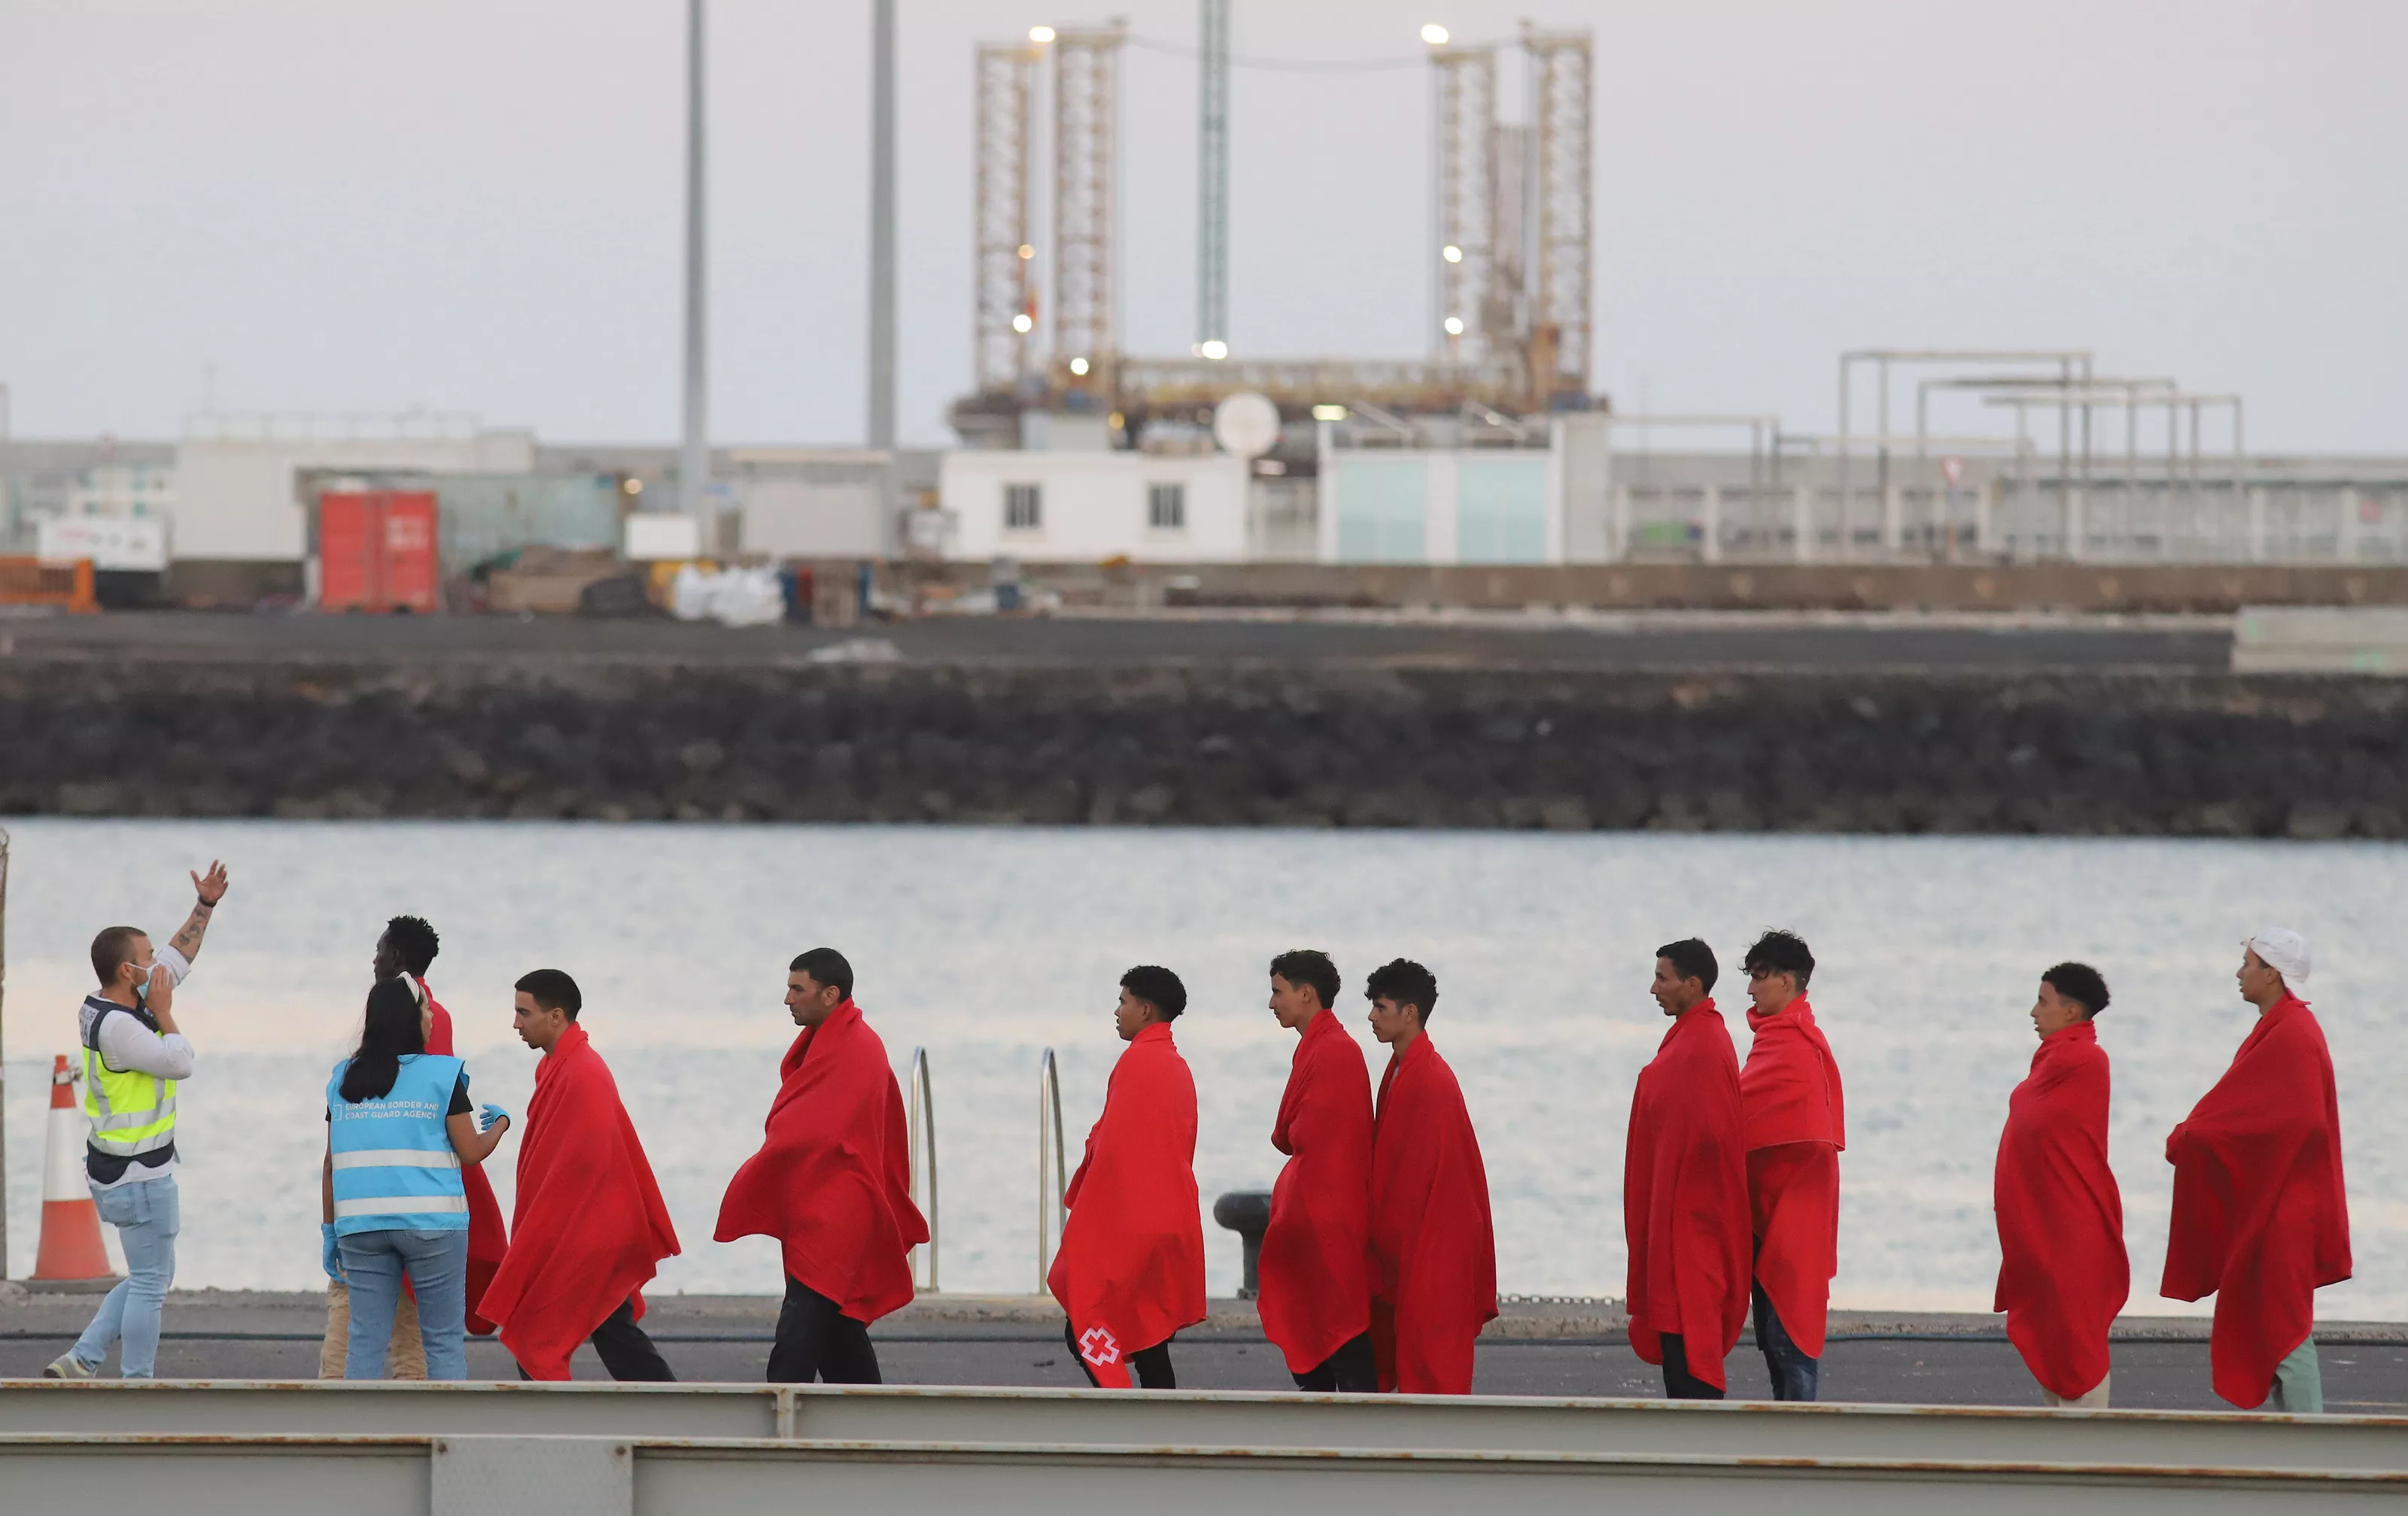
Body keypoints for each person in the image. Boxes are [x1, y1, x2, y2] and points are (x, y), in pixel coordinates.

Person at [47, 863, 230, 1381]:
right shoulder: (123, 1028)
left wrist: (205, 906)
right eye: (146, 958)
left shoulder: (111, 1002)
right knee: (152, 1282)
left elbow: (178, 955)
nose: (157, 964)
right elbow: (181, 1062)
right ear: (128, 972)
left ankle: (82, 1357)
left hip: (120, 1168)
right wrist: (168, 1012)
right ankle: (137, 1383)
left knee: (152, 1273)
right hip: (138, 1173)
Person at [716, 947, 929, 1384]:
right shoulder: (832, 1040)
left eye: (798, 989)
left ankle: (776, 1420)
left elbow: (819, 1133)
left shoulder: (858, 1047)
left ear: (831, 994)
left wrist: (767, 1159)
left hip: (840, 1208)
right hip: (821, 1201)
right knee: (837, 1325)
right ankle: (870, 1426)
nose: (788, 999)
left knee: (803, 1320)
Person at [2163, 929, 2350, 1412]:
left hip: (2288, 1207)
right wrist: (2203, 1132)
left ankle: (2310, 1448)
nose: (2239, 972)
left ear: (2271, 973)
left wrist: (2201, 1134)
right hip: (2278, 1201)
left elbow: (2301, 1121)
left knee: (2286, 1330)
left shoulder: (2293, 1031)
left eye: (2247, 963)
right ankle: (2294, 1445)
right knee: (2272, 1322)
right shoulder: (2280, 1027)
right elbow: (2249, 1109)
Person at [320, 916, 511, 1381]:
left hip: (361, 1223)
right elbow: (468, 1151)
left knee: (364, 1342)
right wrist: (502, 1124)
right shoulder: (443, 1075)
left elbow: (331, 1163)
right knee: (442, 1342)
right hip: (432, 1223)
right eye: (425, 1014)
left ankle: (352, 1438)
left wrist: (329, 1231)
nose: (432, 1018)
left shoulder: (341, 1079)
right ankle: (448, 1440)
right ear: (414, 1021)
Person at [478, 970, 683, 1381]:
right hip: (590, 1228)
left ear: (556, 1016)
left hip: (590, 1233)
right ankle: (668, 1410)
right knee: (611, 1330)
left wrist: (542, 1239)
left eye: (523, 1012)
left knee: (540, 1331)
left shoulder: (583, 1073)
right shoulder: (559, 1065)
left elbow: (585, 1170)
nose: (515, 1023)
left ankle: (662, 1413)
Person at [1048, 965, 1206, 1389]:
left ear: (1146, 1008)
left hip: (1134, 1227)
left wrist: (1087, 1217)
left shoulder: (1136, 1061)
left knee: (1088, 1326)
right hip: (1172, 1222)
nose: (1117, 1011)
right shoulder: (1178, 1066)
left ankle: (1123, 1415)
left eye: (1123, 1001)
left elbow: (1113, 1152)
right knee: (1150, 1338)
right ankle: (1158, 1430)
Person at [1993, 962, 2127, 1408]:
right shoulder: (2055, 1058)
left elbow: (2061, 1142)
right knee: (2053, 1329)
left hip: (2072, 1222)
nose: (2033, 1012)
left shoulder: (2084, 1059)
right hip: (2046, 1223)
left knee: (2076, 1334)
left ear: (2071, 1012)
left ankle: (2089, 1449)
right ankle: (2065, 1443)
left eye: (2043, 1002)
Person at [1624, 938, 1751, 1401]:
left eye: (1663, 978)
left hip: (1693, 1229)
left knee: (1689, 1356)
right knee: (1678, 1352)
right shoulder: (1692, 1037)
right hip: (1678, 1223)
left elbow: (1713, 1142)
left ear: (1691, 984)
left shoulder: (1704, 1044)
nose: (1654, 988)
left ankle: (1700, 1456)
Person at [1364, 959, 1496, 1395]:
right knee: (1408, 1364)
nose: (1371, 1017)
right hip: (1413, 1241)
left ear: (1410, 1013)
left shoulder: (1432, 1080)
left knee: (1433, 1371)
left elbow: (1434, 1179)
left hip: (1436, 1243)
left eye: (1380, 1007)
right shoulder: (1400, 1069)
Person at [1258, 949, 1376, 1393]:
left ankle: (1363, 1435)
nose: (1272, 1003)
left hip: (1330, 1216)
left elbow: (1303, 1133)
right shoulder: (1321, 1046)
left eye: (1278, 991)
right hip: (1317, 1213)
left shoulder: (1336, 1052)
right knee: (1319, 1325)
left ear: (1306, 994)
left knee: (1341, 1329)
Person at [1737, 928, 1844, 1402]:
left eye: (1759, 978)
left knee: (1790, 1343)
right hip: (1770, 1210)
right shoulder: (1776, 1039)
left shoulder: (1798, 1046)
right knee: (1771, 1340)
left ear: (1786, 981)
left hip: (1795, 1219)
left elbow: (1806, 1139)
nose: (1751, 989)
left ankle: (1799, 1444)